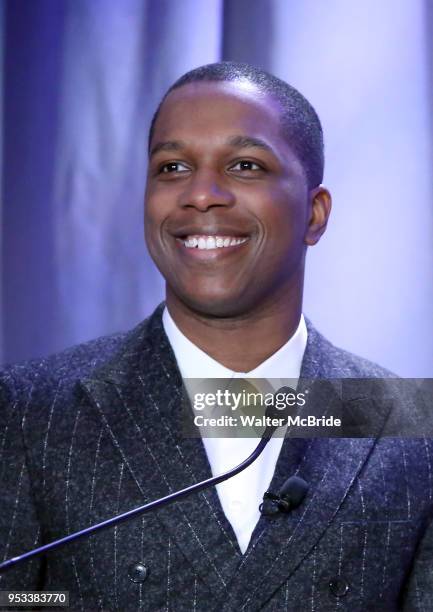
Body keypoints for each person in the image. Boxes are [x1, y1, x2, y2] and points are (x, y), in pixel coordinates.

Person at [0, 61, 431, 611]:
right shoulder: (30, 408)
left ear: (315, 214)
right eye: (173, 166)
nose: (201, 194)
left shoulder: (399, 422)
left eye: (245, 165)